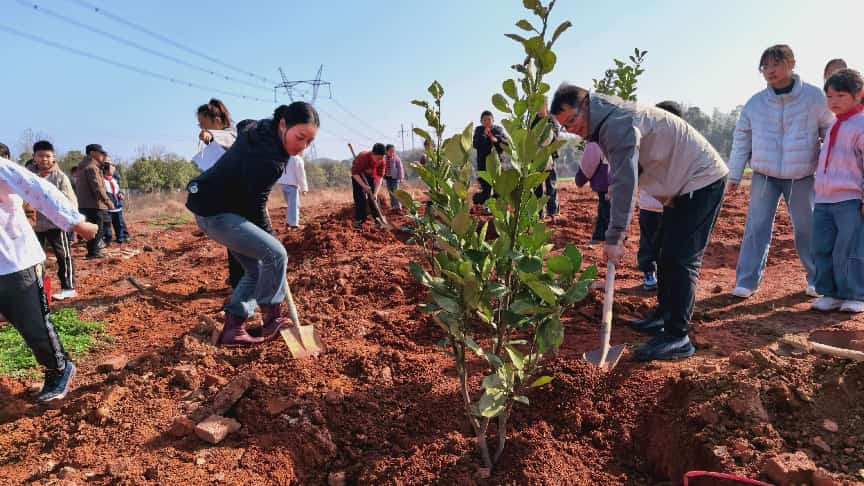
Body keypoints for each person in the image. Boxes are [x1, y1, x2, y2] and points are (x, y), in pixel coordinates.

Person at [551, 84, 729, 361]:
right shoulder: (605, 122)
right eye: (564, 126)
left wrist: (615, 236)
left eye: (571, 120)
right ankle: (664, 315)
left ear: (585, 105)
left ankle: (677, 335)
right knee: (664, 252)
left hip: (700, 180)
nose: (570, 129)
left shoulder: (615, 124)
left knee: (681, 258)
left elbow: (625, 179)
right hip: (678, 184)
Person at [186, 102, 319, 346]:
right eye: (300, 138)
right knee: (276, 255)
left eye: (309, 142)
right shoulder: (270, 161)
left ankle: (233, 328)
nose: (302, 148)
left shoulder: (261, 129)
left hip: (214, 206)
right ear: (283, 124)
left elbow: (246, 123)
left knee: (256, 268)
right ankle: (272, 318)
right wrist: (270, 238)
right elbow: (255, 206)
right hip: (216, 211)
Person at [727, 45, 835, 299]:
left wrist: (828, 170)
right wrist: (734, 175)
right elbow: (742, 139)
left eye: (776, 64)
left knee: (807, 227)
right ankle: (746, 281)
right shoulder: (755, 103)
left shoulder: (814, 98)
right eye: (765, 66)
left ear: (792, 63)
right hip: (764, 175)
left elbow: (830, 133)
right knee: (756, 226)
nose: (770, 71)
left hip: (802, 175)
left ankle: (816, 279)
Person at [1, 155, 99, 401]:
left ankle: (58, 368)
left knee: (33, 325)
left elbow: (36, 188)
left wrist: (76, 222)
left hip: (16, 262)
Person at [810, 69, 864, 313]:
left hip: (849, 199)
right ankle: (829, 293)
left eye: (840, 95)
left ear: (858, 94)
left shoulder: (861, 124)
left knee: (849, 249)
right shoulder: (833, 125)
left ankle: (855, 294)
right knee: (822, 247)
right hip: (823, 199)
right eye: (829, 97)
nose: (833, 102)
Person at [195, 99, 243, 288]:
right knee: (234, 239)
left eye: (202, 122)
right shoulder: (222, 136)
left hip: (240, 196)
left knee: (240, 238)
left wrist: (210, 135)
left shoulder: (233, 134)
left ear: (215, 120)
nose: (200, 127)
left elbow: (228, 139)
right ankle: (238, 279)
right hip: (229, 195)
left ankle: (242, 282)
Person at [637, 101, 683, 291]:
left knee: (670, 242)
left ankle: (667, 274)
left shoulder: (682, 145)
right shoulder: (646, 144)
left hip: (673, 205)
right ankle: (648, 271)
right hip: (649, 205)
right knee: (649, 242)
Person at [30, 141, 78, 300]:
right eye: (40, 156)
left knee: (63, 255)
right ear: (34, 157)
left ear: (53, 157)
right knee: (35, 258)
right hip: (34, 225)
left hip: (55, 224)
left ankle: (68, 286)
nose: (44, 159)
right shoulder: (28, 175)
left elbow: (70, 200)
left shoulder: (60, 177)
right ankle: (38, 289)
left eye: (48, 156)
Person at [75, 144, 113, 258]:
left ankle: (93, 250)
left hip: (84, 204)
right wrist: (108, 202)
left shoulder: (82, 166)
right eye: (100, 153)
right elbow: (98, 188)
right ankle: (94, 252)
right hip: (94, 204)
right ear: (92, 153)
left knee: (92, 229)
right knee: (98, 229)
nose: (102, 156)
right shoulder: (92, 167)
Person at [575, 142, 610, 244]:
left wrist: (580, 179)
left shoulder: (596, 139)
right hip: (620, 178)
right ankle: (599, 235)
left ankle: (615, 236)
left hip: (606, 180)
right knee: (604, 208)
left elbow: (589, 164)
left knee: (606, 209)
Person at [472, 110, 509, 207]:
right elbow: (475, 144)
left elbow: (506, 143)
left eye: (489, 119)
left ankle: (494, 208)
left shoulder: (499, 130)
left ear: (493, 120)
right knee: (486, 191)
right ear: (481, 121)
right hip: (483, 165)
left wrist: (496, 139)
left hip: (497, 166)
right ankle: (477, 199)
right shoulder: (478, 130)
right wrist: (484, 135)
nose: (487, 122)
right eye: (484, 120)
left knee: (498, 190)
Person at [532, 101, 560, 219]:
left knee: (551, 185)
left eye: (541, 105)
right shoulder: (533, 121)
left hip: (549, 157)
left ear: (546, 106)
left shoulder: (551, 120)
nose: (539, 108)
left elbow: (555, 135)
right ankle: (539, 213)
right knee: (537, 186)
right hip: (536, 158)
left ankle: (552, 211)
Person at [351, 143, 387, 228]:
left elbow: (379, 178)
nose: (379, 161)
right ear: (372, 154)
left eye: (381, 159)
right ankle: (359, 220)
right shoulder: (363, 157)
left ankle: (378, 220)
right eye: (377, 158)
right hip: (359, 176)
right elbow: (354, 174)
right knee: (360, 197)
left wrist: (375, 193)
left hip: (371, 176)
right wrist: (364, 186)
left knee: (374, 198)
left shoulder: (382, 162)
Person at [277, 155, 308, 229]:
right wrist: (304, 188)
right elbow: (301, 175)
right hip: (292, 184)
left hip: (283, 183)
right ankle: (294, 224)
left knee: (290, 204)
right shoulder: (297, 159)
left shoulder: (286, 156)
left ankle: (288, 223)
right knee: (294, 205)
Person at [102, 159, 128, 244]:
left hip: (117, 207)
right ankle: (107, 239)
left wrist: (121, 194)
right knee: (107, 226)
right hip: (108, 209)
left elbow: (118, 190)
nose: (114, 168)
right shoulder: (102, 181)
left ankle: (120, 238)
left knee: (119, 224)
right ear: (106, 169)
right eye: (112, 166)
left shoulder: (114, 180)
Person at [384, 144, 405, 210]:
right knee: (391, 192)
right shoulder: (384, 159)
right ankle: (393, 206)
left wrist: (401, 177)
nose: (392, 153)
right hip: (388, 178)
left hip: (395, 178)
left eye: (393, 151)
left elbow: (400, 168)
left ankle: (398, 206)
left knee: (396, 192)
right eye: (390, 151)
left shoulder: (396, 158)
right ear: (386, 151)